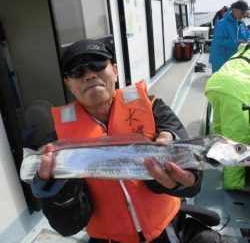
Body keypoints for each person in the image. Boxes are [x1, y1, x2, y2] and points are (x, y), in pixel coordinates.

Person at [31, 39, 233, 243]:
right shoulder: (58, 146)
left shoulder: (154, 109)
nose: (90, 75)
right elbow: (68, 226)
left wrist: (180, 174)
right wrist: (56, 193)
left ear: (115, 70)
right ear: (68, 84)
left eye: (99, 64)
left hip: (169, 228)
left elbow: (193, 185)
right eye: (77, 71)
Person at [206, 43, 250, 190]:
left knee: (219, 129)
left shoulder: (245, 47)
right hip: (235, 90)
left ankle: (213, 160)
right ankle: (234, 185)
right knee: (237, 141)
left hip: (215, 84)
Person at [209, 0, 250, 73]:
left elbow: (247, 35)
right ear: (235, 10)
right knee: (219, 81)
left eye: (245, 13)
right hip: (220, 60)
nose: (244, 15)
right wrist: (236, 42)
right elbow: (219, 41)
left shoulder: (242, 24)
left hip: (233, 60)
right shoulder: (221, 23)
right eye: (242, 12)